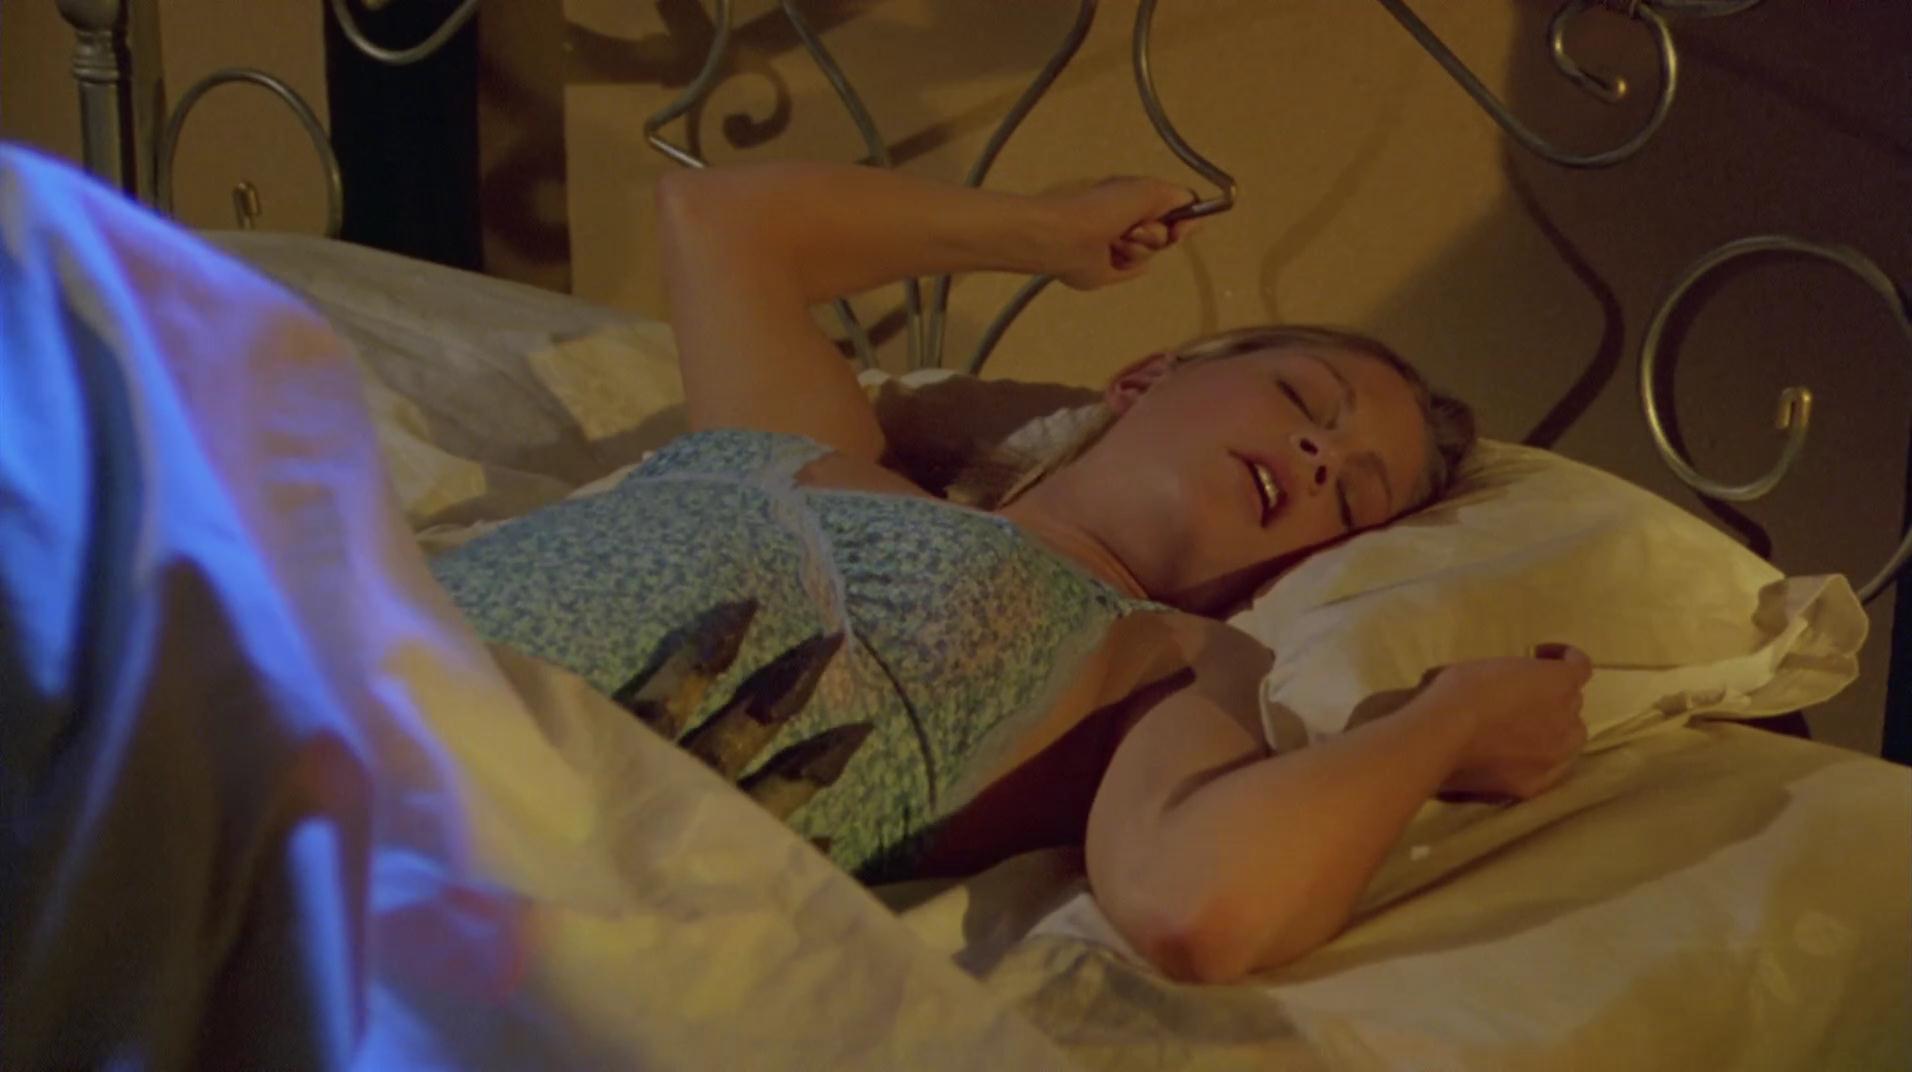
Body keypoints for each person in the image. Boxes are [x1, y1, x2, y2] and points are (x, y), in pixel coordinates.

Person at [428, 160, 1592, 984]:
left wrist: (1446, 721)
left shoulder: (1172, 659)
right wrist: (1043, 233)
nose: (1317, 455)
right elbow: (721, 217)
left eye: (1354, 491)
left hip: (456, 870)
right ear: (1145, 377)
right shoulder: (815, 446)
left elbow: (1198, 905)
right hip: (349, 664)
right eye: (1303, 400)